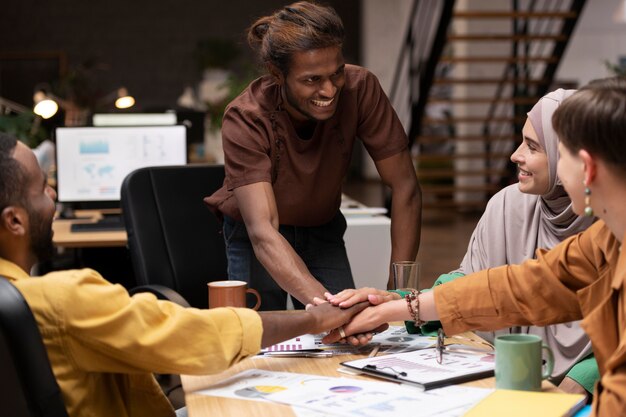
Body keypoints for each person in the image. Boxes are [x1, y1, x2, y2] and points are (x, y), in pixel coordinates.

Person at [0, 132, 369, 417]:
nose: (52, 192)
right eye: (41, 187)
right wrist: (314, 317)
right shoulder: (63, 298)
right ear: (14, 220)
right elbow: (202, 334)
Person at [324, 77, 626, 416]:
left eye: (561, 153)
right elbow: (521, 286)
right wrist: (392, 307)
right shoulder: (604, 240)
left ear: (588, 167)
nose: (515, 156)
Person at [204, 1, 421, 311]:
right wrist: (330, 309)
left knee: (343, 338)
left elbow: (405, 187)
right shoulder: (246, 116)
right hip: (259, 238)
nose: (330, 90)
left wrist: (399, 292)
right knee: (262, 340)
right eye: (312, 80)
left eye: (337, 73)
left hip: (322, 228)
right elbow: (264, 230)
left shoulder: (360, 89)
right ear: (277, 74)